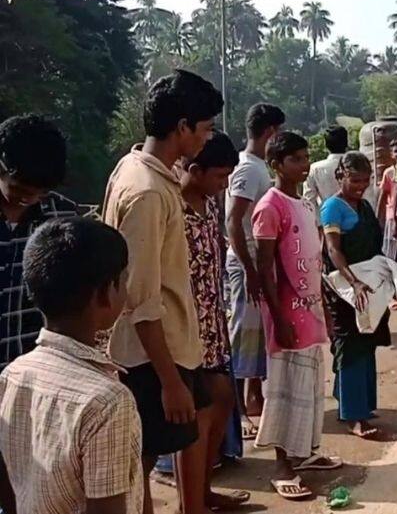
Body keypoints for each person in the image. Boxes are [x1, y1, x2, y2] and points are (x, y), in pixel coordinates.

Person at [102, 69, 222, 514]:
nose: (207, 140)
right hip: (152, 355)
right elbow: (141, 300)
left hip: (168, 349)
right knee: (140, 466)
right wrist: (170, 381)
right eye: (205, 129)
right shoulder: (148, 192)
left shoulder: (136, 168)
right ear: (182, 127)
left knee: (148, 459)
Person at [0, 218, 138, 514]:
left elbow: (8, 483)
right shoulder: (108, 402)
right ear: (105, 293)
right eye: (123, 279)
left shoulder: (12, 375)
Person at [252, 131, 342, 500]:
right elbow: (265, 270)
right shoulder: (269, 207)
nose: (304, 166)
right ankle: (281, 464)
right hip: (286, 313)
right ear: (276, 165)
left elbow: (314, 260)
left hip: (310, 308)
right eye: (296, 160)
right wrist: (279, 317)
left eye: (306, 159)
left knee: (309, 383)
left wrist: (325, 307)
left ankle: (303, 452)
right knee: (285, 387)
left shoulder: (305, 204)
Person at [178, 131, 250, 510]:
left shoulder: (206, 206)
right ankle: (192, 502)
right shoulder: (173, 209)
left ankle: (203, 491)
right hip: (185, 329)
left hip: (211, 326)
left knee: (221, 400)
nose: (224, 185)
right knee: (196, 418)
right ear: (194, 170)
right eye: (220, 177)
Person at [321, 152, 392, 439]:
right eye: (355, 180)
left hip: (370, 285)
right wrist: (354, 282)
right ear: (341, 176)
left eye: (366, 180)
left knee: (367, 342)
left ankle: (358, 403)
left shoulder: (363, 206)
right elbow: (333, 250)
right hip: (345, 288)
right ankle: (353, 415)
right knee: (350, 347)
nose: (361, 185)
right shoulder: (332, 208)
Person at [0, 115, 78, 371]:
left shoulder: (63, 220)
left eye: (40, 193)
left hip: (36, 378)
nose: (30, 200)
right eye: (20, 190)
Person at [226, 103, 285, 437]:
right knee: (242, 333)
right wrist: (249, 269)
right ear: (270, 133)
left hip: (257, 261)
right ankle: (236, 407)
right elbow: (233, 221)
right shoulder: (248, 170)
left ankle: (252, 397)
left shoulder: (257, 167)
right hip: (246, 260)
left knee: (257, 334)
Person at [305, 125, 377, 215]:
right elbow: (370, 196)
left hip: (328, 218)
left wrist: (319, 224)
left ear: (326, 144)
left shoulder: (315, 169)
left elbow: (309, 201)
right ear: (346, 142)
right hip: (358, 218)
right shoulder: (360, 165)